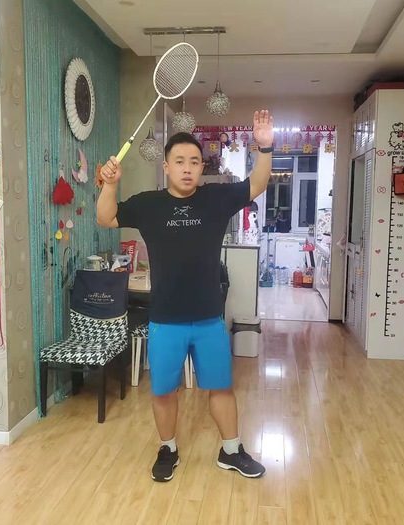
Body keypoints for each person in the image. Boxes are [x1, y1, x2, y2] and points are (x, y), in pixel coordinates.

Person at [96, 110, 275, 482]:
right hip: (165, 319)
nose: (187, 168)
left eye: (194, 161)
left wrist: (265, 146)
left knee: (221, 388)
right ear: (166, 167)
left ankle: (231, 451)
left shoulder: (216, 198)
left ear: (201, 167)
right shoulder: (148, 204)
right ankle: (168, 449)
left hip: (209, 318)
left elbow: (257, 183)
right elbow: (106, 218)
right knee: (164, 391)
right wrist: (110, 185)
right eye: (179, 161)